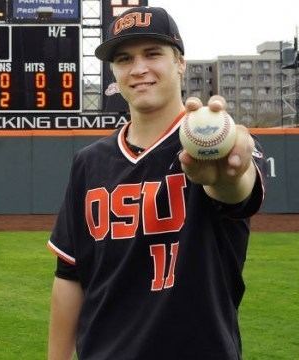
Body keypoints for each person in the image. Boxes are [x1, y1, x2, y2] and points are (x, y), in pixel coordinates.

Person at [46, 6, 266, 360]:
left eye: (152, 54)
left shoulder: (218, 146)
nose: (138, 69)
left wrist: (225, 173)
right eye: (123, 58)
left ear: (180, 62)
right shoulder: (89, 163)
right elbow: (70, 274)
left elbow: (235, 188)